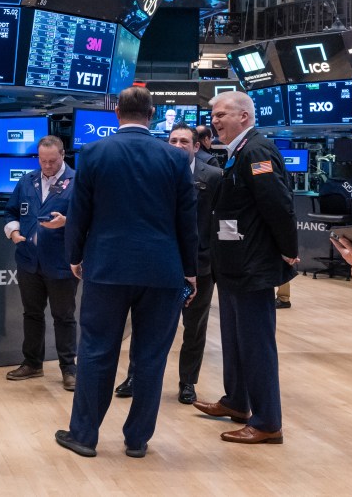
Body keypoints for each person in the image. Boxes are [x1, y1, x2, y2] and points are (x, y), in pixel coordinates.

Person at [56, 86, 197, 459]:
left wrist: (74, 256)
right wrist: (190, 270)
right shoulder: (175, 158)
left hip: (106, 267)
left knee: (97, 352)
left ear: (117, 112)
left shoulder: (94, 153)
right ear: (152, 114)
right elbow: (187, 220)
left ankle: (84, 436)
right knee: (151, 357)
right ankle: (137, 441)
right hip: (163, 271)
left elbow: (79, 214)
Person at [193, 90, 298, 445]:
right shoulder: (236, 152)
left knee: (256, 344)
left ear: (244, 117)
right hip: (234, 265)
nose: (215, 120)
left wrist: (289, 250)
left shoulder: (256, 151)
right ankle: (237, 401)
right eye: (213, 115)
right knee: (235, 340)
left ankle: (268, 421)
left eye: (221, 114)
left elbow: (278, 205)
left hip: (253, 266)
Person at [113, 123, 221, 405]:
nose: (177, 145)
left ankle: (187, 382)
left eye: (184, 141)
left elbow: (218, 221)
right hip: (160, 262)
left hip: (200, 265)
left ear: (196, 146)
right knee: (144, 323)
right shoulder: (154, 172)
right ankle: (135, 375)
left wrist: (210, 260)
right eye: (172, 140)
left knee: (194, 327)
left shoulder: (213, 176)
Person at [2, 135, 78, 391]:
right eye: (42, 160)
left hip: (61, 263)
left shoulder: (77, 182)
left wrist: (68, 221)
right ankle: (33, 363)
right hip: (28, 260)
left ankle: (69, 368)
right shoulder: (27, 180)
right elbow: (11, 211)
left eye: (52, 161)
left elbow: (92, 219)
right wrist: (13, 232)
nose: (47, 166)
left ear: (63, 155)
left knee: (64, 316)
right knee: (32, 314)